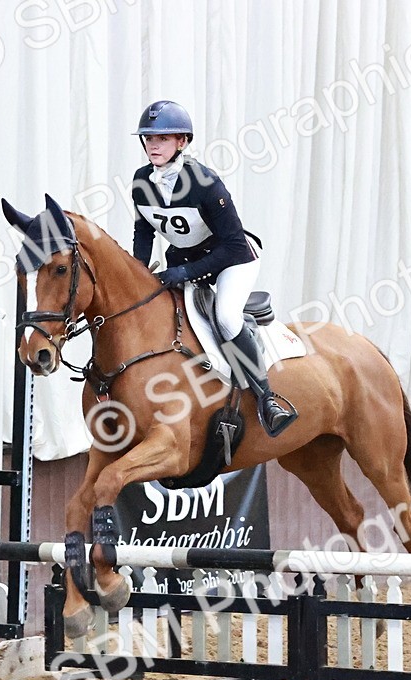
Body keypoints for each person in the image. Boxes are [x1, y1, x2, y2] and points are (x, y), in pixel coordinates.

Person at [130, 100, 296, 437]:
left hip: (232, 260)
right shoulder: (141, 180)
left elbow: (234, 246)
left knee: (226, 317)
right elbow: (144, 232)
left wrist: (183, 274)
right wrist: (138, 274)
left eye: (162, 138)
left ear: (182, 142)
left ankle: (267, 397)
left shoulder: (204, 182)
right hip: (186, 261)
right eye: (148, 138)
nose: (153, 145)